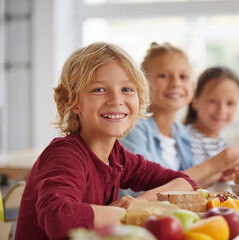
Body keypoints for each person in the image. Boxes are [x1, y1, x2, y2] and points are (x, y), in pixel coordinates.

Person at [15, 42, 197, 240]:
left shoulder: (117, 156)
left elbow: (185, 182)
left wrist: (140, 203)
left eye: (127, 89)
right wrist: (127, 214)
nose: (116, 100)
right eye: (99, 90)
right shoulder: (64, 155)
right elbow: (59, 219)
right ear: (73, 101)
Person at [120, 42, 239, 191]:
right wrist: (212, 165)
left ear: (192, 86)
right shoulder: (133, 128)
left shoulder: (179, 131)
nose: (176, 83)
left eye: (183, 76)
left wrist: (219, 173)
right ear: (143, 82)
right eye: (164, 76)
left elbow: (189, 183)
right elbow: (144, 193)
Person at [184, 66, 239, 165]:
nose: (221, 110)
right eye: (212, 101)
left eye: (230, 103)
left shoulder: (221, 139)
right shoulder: (187, 139)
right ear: (194, 101)